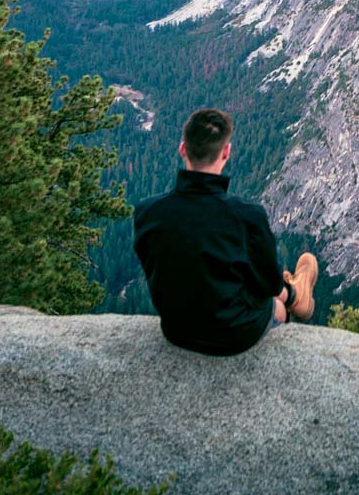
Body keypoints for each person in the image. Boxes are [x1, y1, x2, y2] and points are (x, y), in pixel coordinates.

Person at [133, 106, 319, 356]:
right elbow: (267, 284)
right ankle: (296, 294)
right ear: (226, 152)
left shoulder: (148, 212)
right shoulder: (246, 216)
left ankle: (294, 291)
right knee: (274, 302)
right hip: (235, 336)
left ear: (182, 149)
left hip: (176, 330)